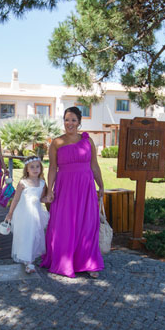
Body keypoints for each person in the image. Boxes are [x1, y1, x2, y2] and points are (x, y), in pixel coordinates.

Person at [41, 106, 105, 278]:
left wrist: (101, 185)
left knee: (87, 223)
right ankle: (64, 261)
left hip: (85, 187)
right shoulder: (56, 142)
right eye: (67, 119)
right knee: (64, 223)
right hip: (65, 187)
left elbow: (94, 166)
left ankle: (89, 263)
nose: (69, 123)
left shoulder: (88, 141)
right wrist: (50, 190)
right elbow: (53, 168)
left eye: (73, 120)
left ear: (79, 122)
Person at [5, 156, 49, 274]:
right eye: (32, 167)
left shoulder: (42, 183)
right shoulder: (23, 183)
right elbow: (15, 199)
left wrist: (48, 198)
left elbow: (41, 199)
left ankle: (30, 258)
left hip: (36, 214)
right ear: (27, 169)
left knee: (34, 235)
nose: (35, 169)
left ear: (41, 168)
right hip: (23, 214)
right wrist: (10, 213)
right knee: (26, 235)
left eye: (37, 166)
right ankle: (29, 262)